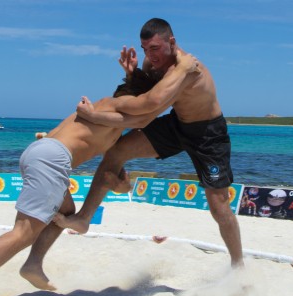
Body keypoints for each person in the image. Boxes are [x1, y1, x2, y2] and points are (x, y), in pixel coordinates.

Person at [0, 51, 199, 296]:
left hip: (42, 153)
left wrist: (122, 184)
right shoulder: (114, 103)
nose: (151, 108)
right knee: (22, 233)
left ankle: (33, 264)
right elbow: (148, 109)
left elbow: (128, 143)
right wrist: (182, 71)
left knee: (65, 213)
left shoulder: (112, 122)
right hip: (52, 158)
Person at [55, 18, 245, 268]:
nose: (150, 55)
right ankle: (83, 218)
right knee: (116, 150)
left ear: (172, 42)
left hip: (208, 134)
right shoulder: (152, 63)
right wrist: (133, 73)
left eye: (155, 48)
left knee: (219, 207)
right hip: (177, 124)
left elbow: (148, 110)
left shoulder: (188, 69)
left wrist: (94, 116)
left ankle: (238, 264)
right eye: (145, 49)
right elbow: (146, 93)